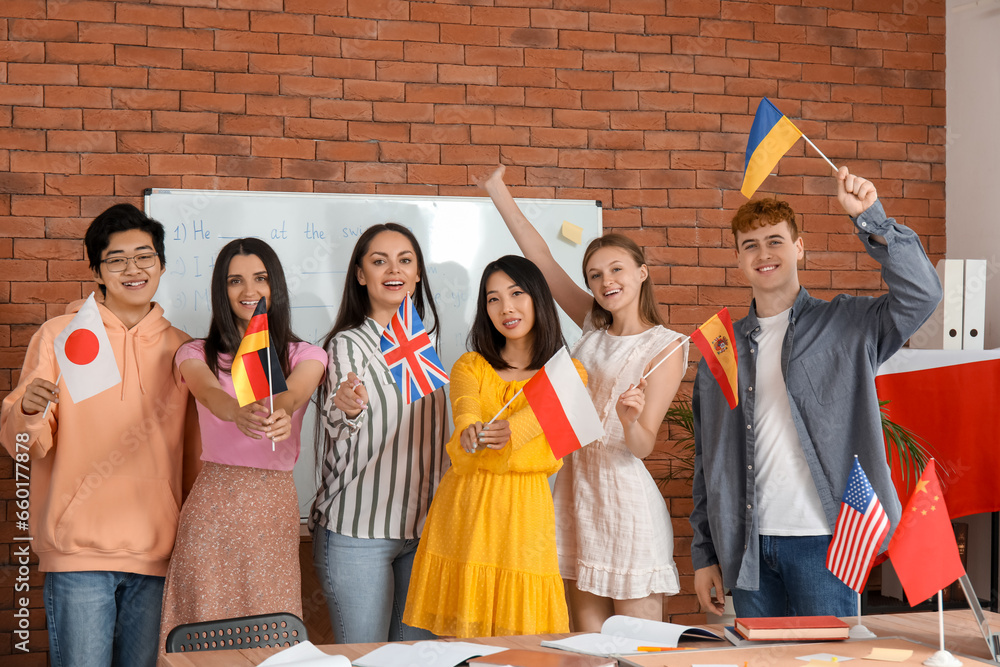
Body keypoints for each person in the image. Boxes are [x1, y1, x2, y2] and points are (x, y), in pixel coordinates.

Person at [690, 167, 943, 618]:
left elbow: (922, 295)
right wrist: (705, 553)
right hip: (748, 546)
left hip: (826, 542)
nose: (763, 253)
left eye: (775, 241)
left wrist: (872, 218)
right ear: (738, 259)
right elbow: (706, 462)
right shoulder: (721, 351)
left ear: (799, 248)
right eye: (749, 245)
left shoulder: (848, 325)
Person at [481, 166, 687, 631]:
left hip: (625, 497)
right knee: (588, 653)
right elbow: (542, 261)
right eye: (595, 275)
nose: (605, 281)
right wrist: (497, 191)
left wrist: (629, 418)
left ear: (642, 272)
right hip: (576, 492)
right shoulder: (593, 325)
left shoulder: (666, 346)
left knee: (638, 655)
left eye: (616, 269)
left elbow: (643, 445)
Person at [0, 204, 198, 667]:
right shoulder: (59, 336)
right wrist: (28, 412)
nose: (133, 269)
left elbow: (195, 456)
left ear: (163, 265)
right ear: (97, 270)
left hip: (158, 551)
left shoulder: (185, 350)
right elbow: (27, 445)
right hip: (78, 553)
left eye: (145, 256)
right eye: (116, 259)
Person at [157, 238, 326, 652]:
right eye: (235, 280)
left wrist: (280, 410)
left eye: (260, 278)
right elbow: (205, 390)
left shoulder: (306, 353)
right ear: (221, 289)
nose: (249, 290)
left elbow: (296, 393)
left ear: (276, 285)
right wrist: (235, 411)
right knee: (202, 625)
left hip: (273, 506)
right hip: (214, 503)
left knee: (269, 629)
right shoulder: (195, 351)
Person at [404, 255, 584, 637]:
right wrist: (469, 429)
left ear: (537, 298)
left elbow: (528, 425)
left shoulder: (570, 375)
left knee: (525, 643)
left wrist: (505, 432)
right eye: (493, 298)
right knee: (461, 644)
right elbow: (465, 407)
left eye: (516, 293)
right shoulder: (470, 365)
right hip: (465, 509)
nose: (506, 308)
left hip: (524, 514)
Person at [310, 223, 448, 643]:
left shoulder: (425, 346)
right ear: (360, 274)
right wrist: (347, 405)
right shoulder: (347, 345)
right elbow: (339, 417)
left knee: (416, 660)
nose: (394, 269)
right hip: (358, 533)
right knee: (366, 659)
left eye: (405, 260)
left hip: (423, 532)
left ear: (418, 273)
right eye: (379, 260)